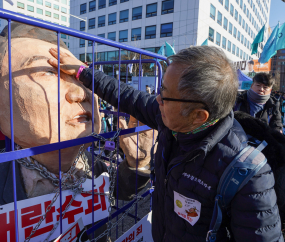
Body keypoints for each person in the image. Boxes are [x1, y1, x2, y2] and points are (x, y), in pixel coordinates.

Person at [48, 46, 283, 241]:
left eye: (165, 94)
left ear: (199, 116)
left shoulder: (247, 175)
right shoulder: (172, 119)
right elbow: (128, 97)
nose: (157, 99)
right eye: (160, 90)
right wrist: (82, 72)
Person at [0, 23, 150, 240]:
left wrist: (137, 164)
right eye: (48, 72)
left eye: (82, 76)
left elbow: (117, 190)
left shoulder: (89, 162)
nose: (80, 92)